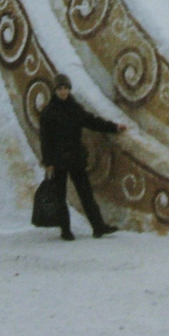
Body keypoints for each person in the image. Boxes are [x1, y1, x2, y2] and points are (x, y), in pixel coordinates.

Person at [38, 74, 126, 240]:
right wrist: (48, 162)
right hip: (58, 160)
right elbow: (45, 140)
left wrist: (114, 127)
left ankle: (98, 226)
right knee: (60, 196)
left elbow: (92, 121)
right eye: (60, 89)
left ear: (69, 89)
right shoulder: (48, 112)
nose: (63, 92)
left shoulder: (74, 108)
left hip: (75, 157)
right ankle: (65, 230)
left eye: (65, 88)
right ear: (54, 91)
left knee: (86, 194)